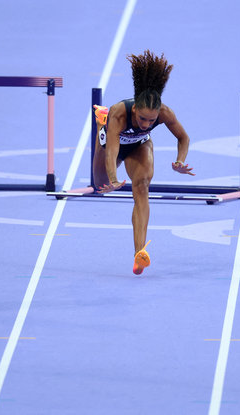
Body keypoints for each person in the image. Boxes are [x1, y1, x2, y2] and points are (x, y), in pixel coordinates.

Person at [92, 50, 195, 275]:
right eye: (142, 119)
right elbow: (112, 151)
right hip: (111, 143)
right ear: (135, 109)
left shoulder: (164, 113)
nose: (147, 123)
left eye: (152, 120)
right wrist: (113, 178)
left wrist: (180, 161)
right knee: (99, 187)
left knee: (141, 187)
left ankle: (140, 253)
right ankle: (102, 119)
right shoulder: (121, 113)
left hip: (139, 145)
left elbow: (183, 138)